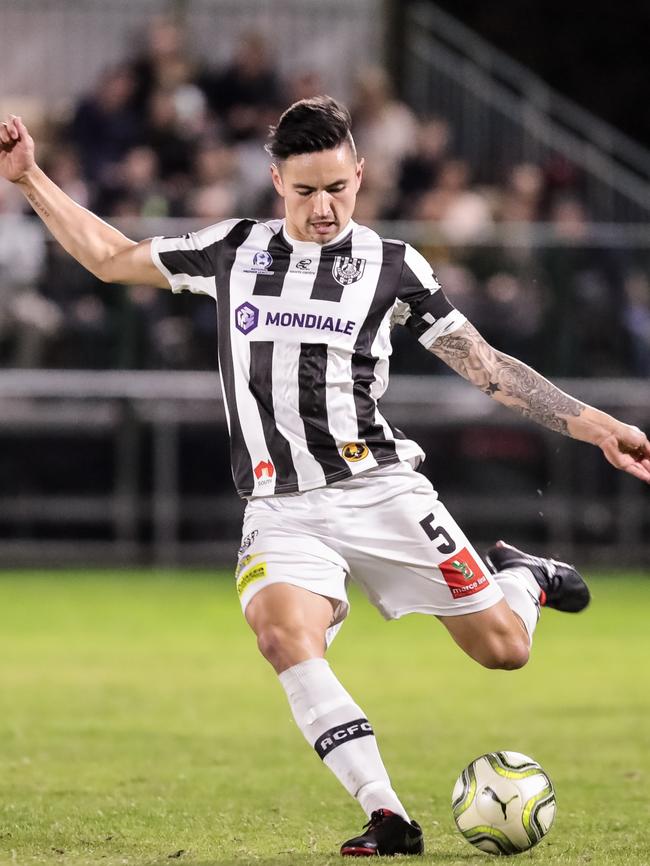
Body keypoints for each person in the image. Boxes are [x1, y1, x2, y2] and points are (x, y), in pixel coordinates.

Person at [2, 98, 649, 858]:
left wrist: (600, 426)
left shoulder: (393, 266)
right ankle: (388, 817)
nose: (324, 208)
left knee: (504, 650)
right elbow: (110, 259)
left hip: (380, 489)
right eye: (306, 191)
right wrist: (29, 177)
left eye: (338, 188)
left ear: (360, 174)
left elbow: (492, 371)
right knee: (282, 635)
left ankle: (524, 577)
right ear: (276, 180)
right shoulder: (232, 249)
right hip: (281, 505)